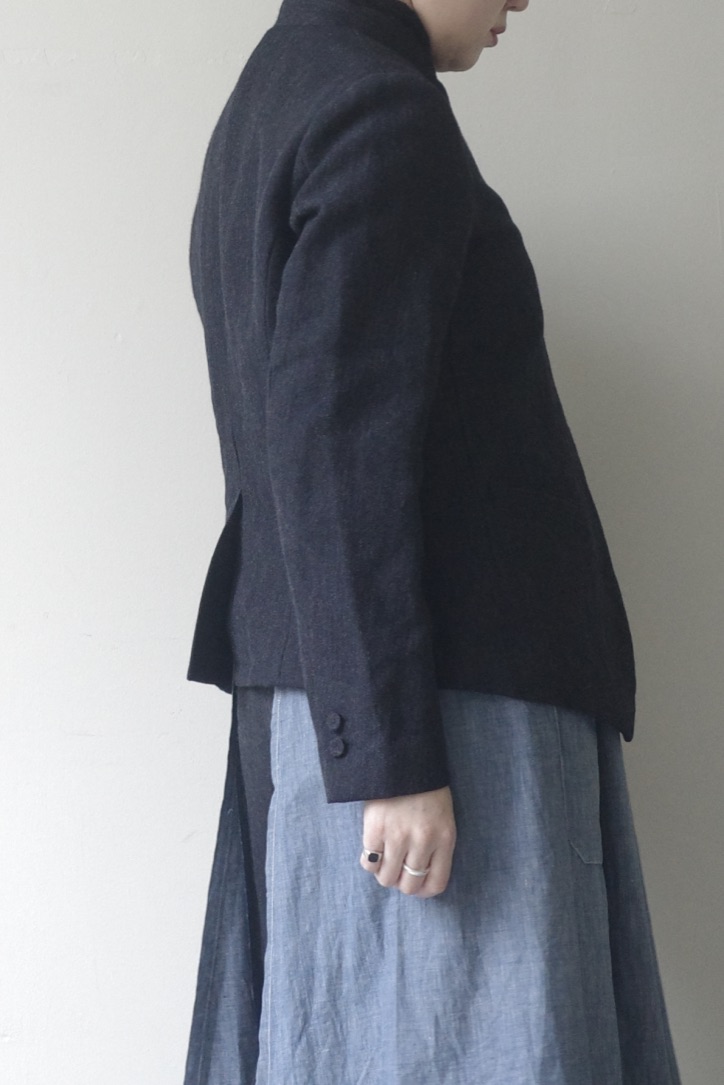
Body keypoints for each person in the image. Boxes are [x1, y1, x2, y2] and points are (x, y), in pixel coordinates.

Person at [181, 1, 683, 1081]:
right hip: (438, 710)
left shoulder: (276, 92)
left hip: (341, 700)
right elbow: (336, 443)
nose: (521, 0)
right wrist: (395, 758)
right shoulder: (378, 110)